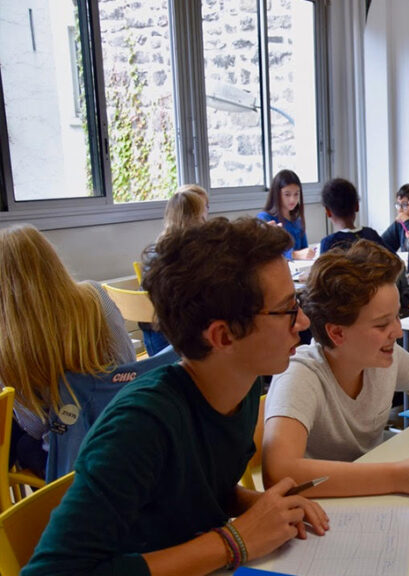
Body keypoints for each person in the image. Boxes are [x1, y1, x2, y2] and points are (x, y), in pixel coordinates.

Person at [24, 218, 329, 576]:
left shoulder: (240, 387)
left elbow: (201, 492)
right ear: (223, 337)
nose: (303, 321)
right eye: (287, 309)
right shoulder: (139, 427)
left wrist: (262, 508)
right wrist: (233, 542)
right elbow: (50, 572)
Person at [261, 240, 409, 498]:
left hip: (372, 493)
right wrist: (397, 477)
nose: (397, 331)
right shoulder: (301, 375)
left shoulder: (379, 357)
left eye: (397, 316)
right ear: (337, 332)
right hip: (329, 508)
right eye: (381, 324)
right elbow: (278, 472)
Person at [0, 224, 135, 479]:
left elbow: (36, 426)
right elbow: (127, 367)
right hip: (123, 431)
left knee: (21, 442)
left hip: (70, 459)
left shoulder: (9, 344)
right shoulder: (95, 297)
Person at [140, 184, 211, 355]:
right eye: (203, 214)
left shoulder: (155, 249)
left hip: (152, 341)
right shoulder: (186, 255)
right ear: (196, 218)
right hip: (174, 343)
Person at [318, 178, 387, 254]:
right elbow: (395, 260)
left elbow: (322, 265)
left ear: (328, 212)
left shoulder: (329, 243)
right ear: (357, 206)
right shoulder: (371, 235)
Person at [258, 169, 315, 260]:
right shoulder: (264, 218)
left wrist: (309, 253)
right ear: (277, 194)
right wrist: (294, 254)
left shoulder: (297, 221)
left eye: (296, 194)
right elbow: (263, 252)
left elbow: (304, 249)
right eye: (287, 194)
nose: (292, 199)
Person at [381, 183, 409, 253]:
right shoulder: (400, 224)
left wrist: (408, 222)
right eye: (398, 205)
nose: (400, 210)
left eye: (404, 205)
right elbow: (381, 246)